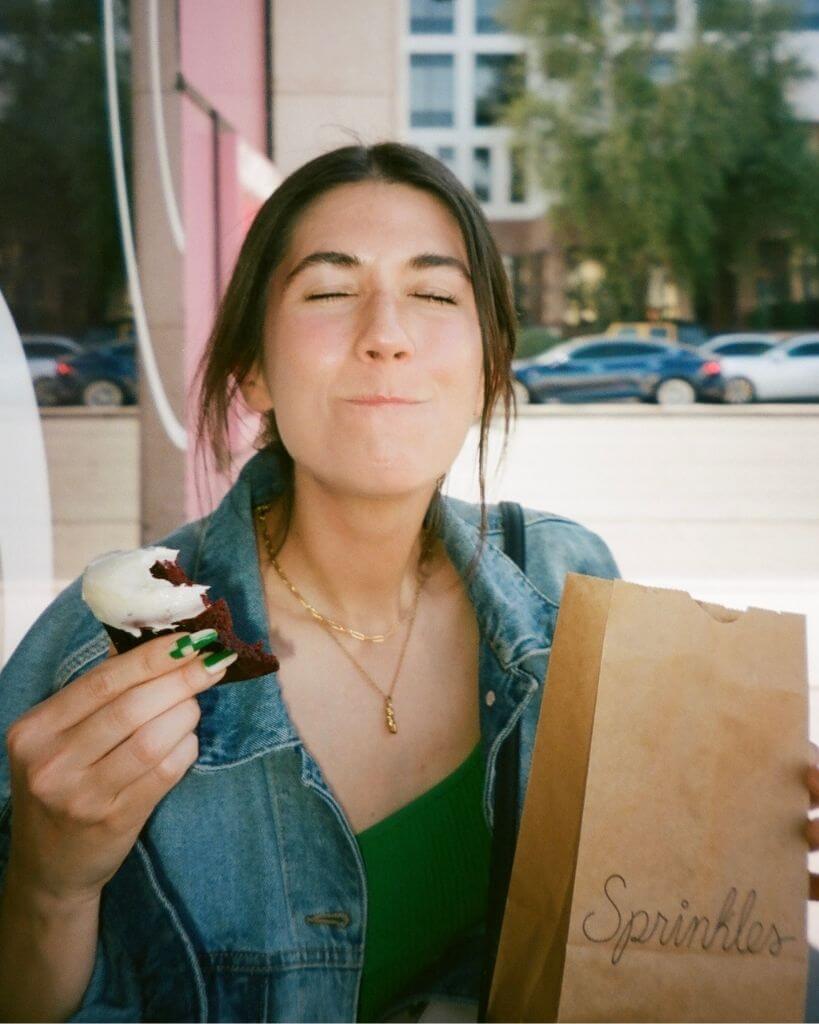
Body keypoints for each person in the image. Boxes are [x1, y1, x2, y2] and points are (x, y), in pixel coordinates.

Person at [0, 141, 815, 1024]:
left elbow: (659, 928)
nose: (385, 334)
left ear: (486, 371)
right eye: (328, 292)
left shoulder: (569, 583)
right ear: (254, 370)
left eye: (433, 295)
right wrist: (49, 884)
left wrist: (741, 846)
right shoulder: (100, 657)